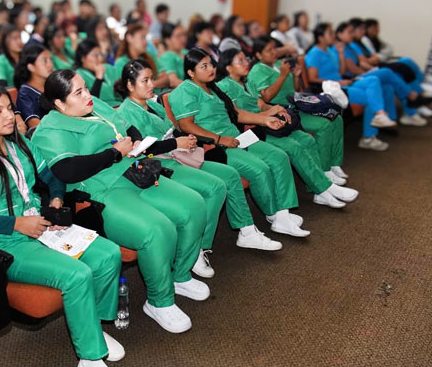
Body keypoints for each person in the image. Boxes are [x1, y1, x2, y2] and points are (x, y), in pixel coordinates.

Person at [0, 85, 130, 367]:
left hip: (41, 226)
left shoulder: (18, 145)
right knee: (77, 275)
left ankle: (93, 327)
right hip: (5, 242)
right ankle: (90, 361)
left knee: (108, 254)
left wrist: (57, 199)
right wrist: (17, 223)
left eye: (9, 108)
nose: (9, 116)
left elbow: (53, 176)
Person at [32, 70, 211, 334]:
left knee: (193, 205)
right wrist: (114, 153)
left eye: (86, 88)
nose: (87, 96)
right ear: (59, 103)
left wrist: (136, 139)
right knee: (157, 229)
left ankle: (180, 275)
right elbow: (67, 170)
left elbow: (126, 125)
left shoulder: (95, 105)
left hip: (134, 171)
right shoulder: (50, 128)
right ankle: (159, 301)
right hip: (100, 191)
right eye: (78, 93)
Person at [115, 59, 277, 274]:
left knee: (228, 175)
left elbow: (172, 132)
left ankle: (246, 231)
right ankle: (195, 250)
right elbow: (141, 150)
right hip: (160, 165)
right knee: (213, 188)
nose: (151, 84)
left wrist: (185, 138)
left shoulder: (153, 104)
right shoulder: (126, 112)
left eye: (151, 79)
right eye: (145, 81)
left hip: (180, 156)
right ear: (129, 85)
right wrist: (176, 142)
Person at [168, 48, 307, 245]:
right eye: (204, 66)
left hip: (237, 138)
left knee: (278, 156)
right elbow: (186, 125)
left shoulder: (213, 88)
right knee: (260, 170)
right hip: (215, 147)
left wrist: (264, 120)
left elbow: (237, 114)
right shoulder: (184, 91)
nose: (211, 69)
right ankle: (266, 221)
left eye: (211, 64)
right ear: (190, 72)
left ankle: (281, 214)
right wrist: (218, 138)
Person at [216, 48, 357, 214]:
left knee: (307, 140)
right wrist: (266, 116)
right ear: (228, 67)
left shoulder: (246, 82)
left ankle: (320, 190)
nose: (247, 63)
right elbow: (236, 115)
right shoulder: (224, 86)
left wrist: (276, 109)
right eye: (240, 61)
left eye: (245, 59)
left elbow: (260, 104)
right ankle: (325, 188)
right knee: (292, 147)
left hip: (267, 123)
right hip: (252, 131)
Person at [245, 36, 347, 177]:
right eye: (269, 50)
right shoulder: (258, 71)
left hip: (296, 105)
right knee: (323, 125)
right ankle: (324, 170)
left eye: (274, 48)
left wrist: (296, 76)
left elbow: (295, 90)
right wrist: (282, 75)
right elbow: (266, 97)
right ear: (258, 55)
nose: (274, 52)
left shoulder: (280, 63)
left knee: (336, 118)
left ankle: (334, 163)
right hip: (281, 110)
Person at [305, 23, 396, 152]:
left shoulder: (330, 50)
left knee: (373, 81)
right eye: (330, 33)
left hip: (342, 83)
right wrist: (340, 83)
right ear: (320, 37)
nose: (333, 36)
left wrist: (341, 54)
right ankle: (370, 133)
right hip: (331, 88)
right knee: (372, 96)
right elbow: (312, 78)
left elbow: (340, 70)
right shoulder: (315, 53)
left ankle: (376, 121)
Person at [337, 21, 431, 127]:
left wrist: (372, 69)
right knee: (386, 73)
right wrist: (370, 71)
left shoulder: (352, 46)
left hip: (362, 73)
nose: (353, 34)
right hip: (353, 78)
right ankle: (413, 96)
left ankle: (392, 118)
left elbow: (364, 61)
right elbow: (351, 69)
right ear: (339, 34)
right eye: (350, 32)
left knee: (390, 84)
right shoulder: (340, 48)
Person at [14, 44, 53, 127]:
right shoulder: (25, 93)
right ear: (31, 67)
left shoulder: (52, 84)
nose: (50, 65)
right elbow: (34, 123)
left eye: (50, 60)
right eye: (44, 61)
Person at [74, 39, 120, 106]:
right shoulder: (79, 75)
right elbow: (90, 103)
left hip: (121, 105)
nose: (100, 58)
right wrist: (99, 78)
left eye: (101, 55)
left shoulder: (107, 67)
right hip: (103, 110)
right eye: (95, 55)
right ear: (83, 58)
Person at [156, 23, 188, 89]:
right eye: (178, 36)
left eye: (183, 35)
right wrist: (195, 87)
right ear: (167, 40)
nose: (182, 39)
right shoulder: (167, 57)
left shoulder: (186, 52)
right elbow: (174, 82)